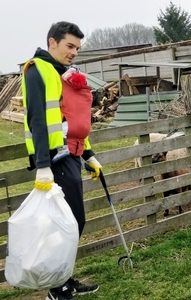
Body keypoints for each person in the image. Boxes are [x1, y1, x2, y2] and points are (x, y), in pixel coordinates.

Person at [22, 21, 101, 300]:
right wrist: (43, 166)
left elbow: (73, 121)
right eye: (70, 46)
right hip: (53, 160)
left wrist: (89, 154)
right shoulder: (38, 70)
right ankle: (57, 287)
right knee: (68, 223)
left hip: (71, 156)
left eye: (78, 48)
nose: (74, 52)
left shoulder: (64, 73)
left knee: (72, 222)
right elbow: (37, 121)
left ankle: (63, 279)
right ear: (51, 42)